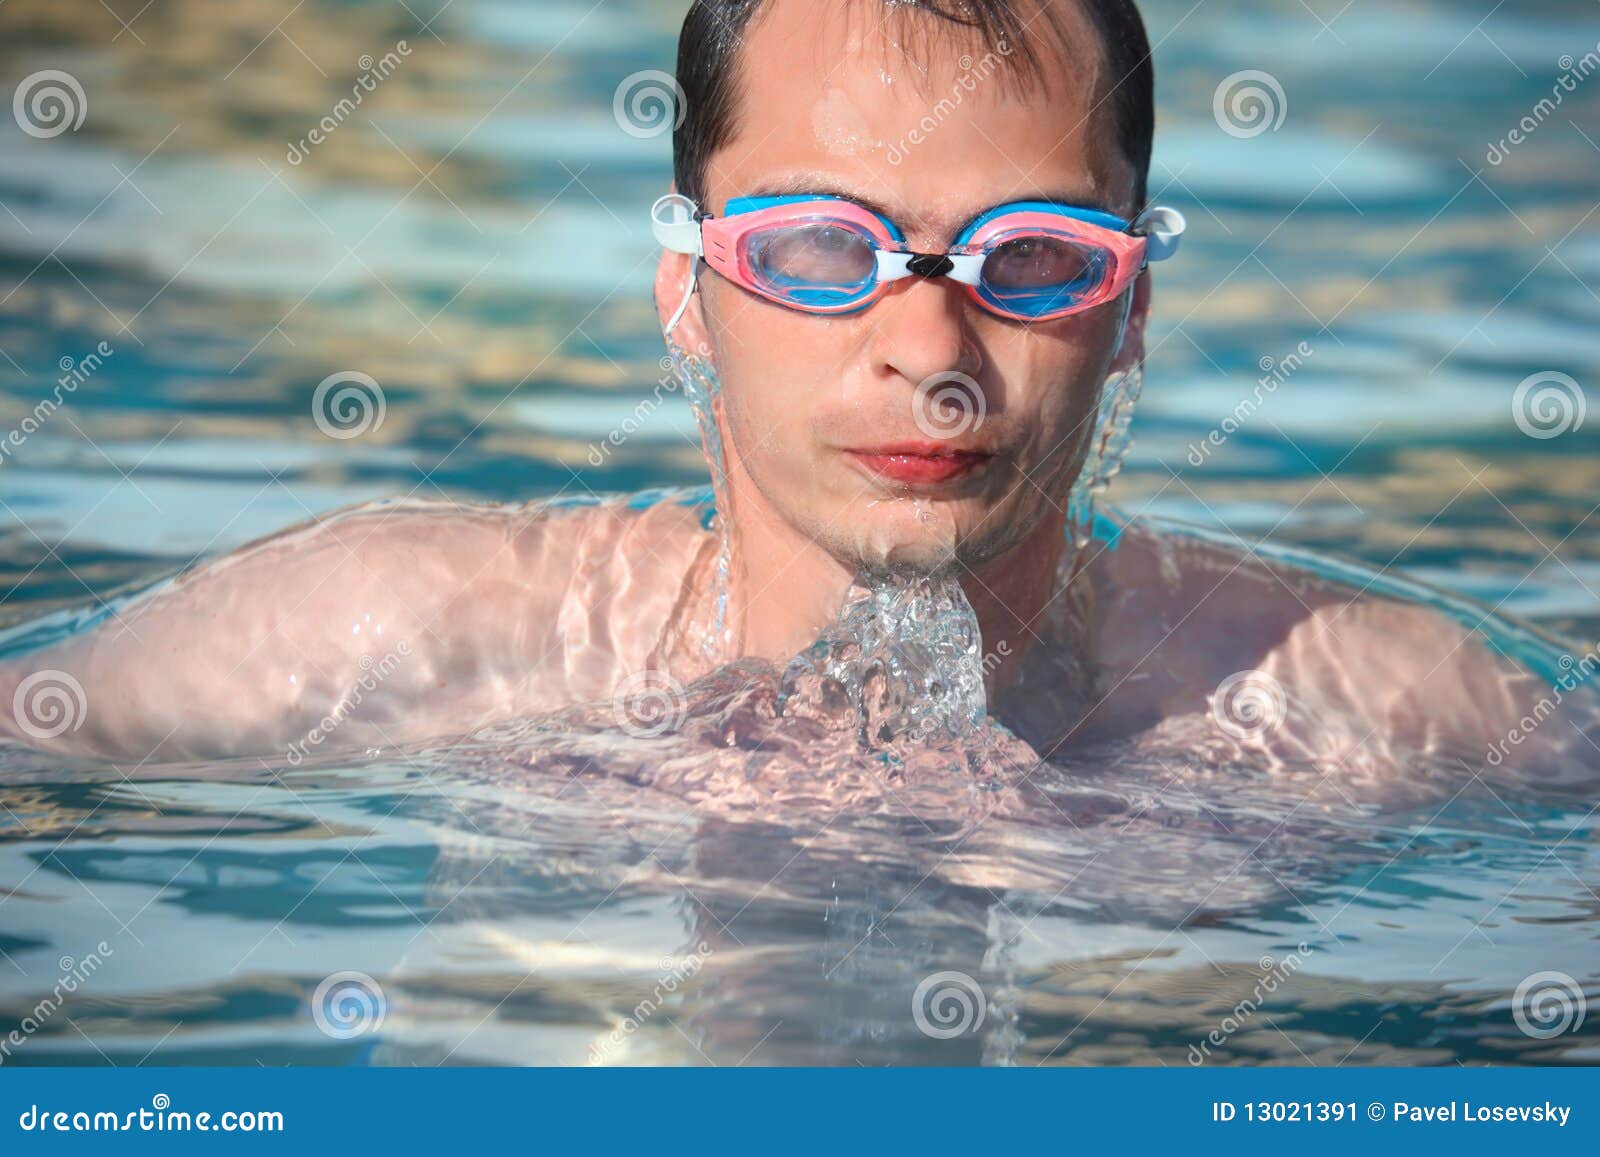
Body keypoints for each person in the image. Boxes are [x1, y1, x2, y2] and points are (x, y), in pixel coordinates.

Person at [0, 0, 1591, 780]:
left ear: (1136, 304)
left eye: (1032, 258)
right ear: (685, 287)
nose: (928, 352)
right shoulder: (403, 641)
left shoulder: (1371, 713)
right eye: (823, 249)